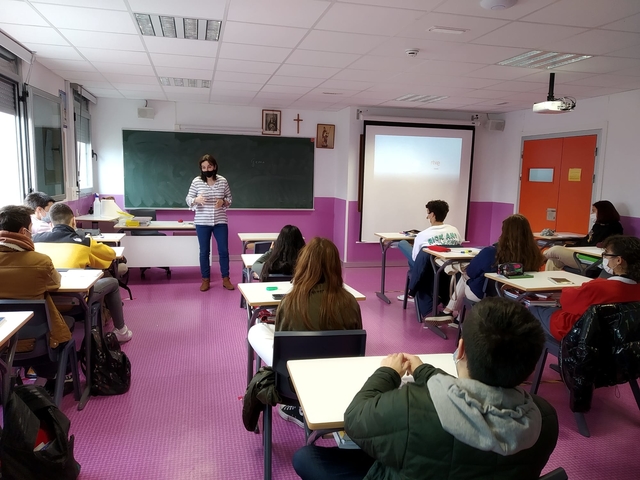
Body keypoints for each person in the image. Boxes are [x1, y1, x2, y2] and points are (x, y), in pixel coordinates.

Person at [292, 297, 559, 480]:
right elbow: (472, 398)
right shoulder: (544, 418)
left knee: (307, 457)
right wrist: (424, 371)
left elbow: (355, 418)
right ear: (532, 366)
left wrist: (386, 373)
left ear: (461, 348)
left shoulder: (412, 406)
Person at [248, 237, 363, 427]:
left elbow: (283, 345)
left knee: (257, 330)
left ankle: (297, 408)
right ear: (336, 265)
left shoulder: (291, 300)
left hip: (295, 384)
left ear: (304, 264)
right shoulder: (350, 301)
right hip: (340, 379)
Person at [32, 203, 133, 343]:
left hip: (42, 301)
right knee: (113, 282)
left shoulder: (34, 240)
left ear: (50, 223)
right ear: (74, 221)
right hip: (73, 301)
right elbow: (110, 255)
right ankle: (121, 331)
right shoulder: (84, 241)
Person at [0, 205, 73, 379]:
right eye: (31, 229)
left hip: (2, 340)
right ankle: (62, 377)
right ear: (24, 231)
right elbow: (55, 284)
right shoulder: (40, 261)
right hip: (37, 341)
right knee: (69, 321)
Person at [430, 214, 545, 321]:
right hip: (516, 296)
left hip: (486, 295)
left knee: (465, 276)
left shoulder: (491, 252)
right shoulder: (534, 254)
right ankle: (455, 316)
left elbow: (471, 272)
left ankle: (450, 312)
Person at [530, 234, 640, 340]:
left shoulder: (599, 287)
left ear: (618, 260)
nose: (604, 258)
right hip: (615, 338)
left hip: (579, 334)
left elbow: (566, 302)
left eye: (606, 254)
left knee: (532, 309)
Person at [186, 154, 234, 292]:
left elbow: (229, 198)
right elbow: (188, 198)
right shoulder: (196, 181)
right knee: (204, 252)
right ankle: (205, 280)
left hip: (220, 221)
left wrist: (224, 202)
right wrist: (196, 200)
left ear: (215, 166)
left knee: (224, 250)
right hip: (202, 222)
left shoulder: (223, 181)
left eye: (209, 166)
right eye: (204, 167)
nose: (207, 169)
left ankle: (226, 279)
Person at [398, 199, 462, 303]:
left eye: (428, 213)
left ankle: (414, 291)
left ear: (432, 214)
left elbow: (416, 259)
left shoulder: (422, 235)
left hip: (428, 269)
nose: (427, 217)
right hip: (449, 268)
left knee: (402, 244)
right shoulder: (454, 230)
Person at [545, 200, 623, 271]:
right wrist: (570, 246)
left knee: (555, 250)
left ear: (603, 212)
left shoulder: (614, 228)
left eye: (594, 211)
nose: (592, 214)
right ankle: (549, 285)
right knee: (553, 260)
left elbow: (596, 245)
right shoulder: (597, 225)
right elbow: (586, 240)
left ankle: (537, 259)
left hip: (591, 259)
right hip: (580, 253)